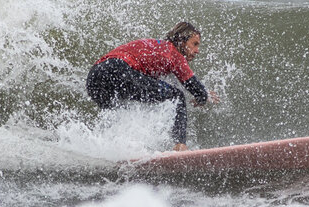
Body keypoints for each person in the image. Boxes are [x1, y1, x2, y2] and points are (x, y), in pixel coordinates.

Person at [86, 21, 220, 152]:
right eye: (194, 44)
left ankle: (109, 146)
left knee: (120, 110)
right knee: (177, 96)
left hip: (95, 77)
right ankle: (180, 146)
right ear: (181, 41)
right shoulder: (173, 53)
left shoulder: (156, 45)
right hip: (119, 70)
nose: (197, 51)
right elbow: (195, 87)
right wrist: (204, 96)